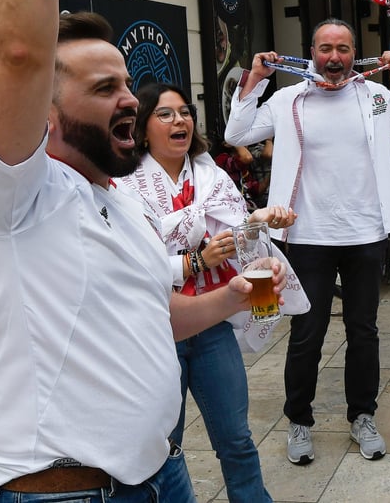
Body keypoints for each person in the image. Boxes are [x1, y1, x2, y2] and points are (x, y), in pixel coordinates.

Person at [0, 0, 285, 500]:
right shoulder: (12, 194)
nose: (131, 98)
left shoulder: (119, 199)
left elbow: (154, 312)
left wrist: (232, 296)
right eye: (103, 88)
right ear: (43, 109)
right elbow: (16, 50)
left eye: (126, 82)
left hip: (152, 474)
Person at [223, 21, 390, 465]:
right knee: (306, 334)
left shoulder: (375, 97)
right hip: (307, 234)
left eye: (344, 49)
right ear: (311, 52)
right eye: (326, 48)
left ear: (356, 53)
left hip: (366, 233)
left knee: (364, 331)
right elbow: (235, 135)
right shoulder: (287, 98)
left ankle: (362, 416)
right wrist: (254, 79)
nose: (335, 57)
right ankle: (299, 420)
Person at [119, 83, 296, 503]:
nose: (179, 120)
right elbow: (127, 265)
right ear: (143, 128)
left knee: (236, 438)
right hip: (158, 329)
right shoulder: (124, 183)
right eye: (165, 114)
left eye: (184, 112)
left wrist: (258, 221)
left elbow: (239, 238)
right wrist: (193, 261)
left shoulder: (212, 176)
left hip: (212, 322)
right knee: (165, 443)